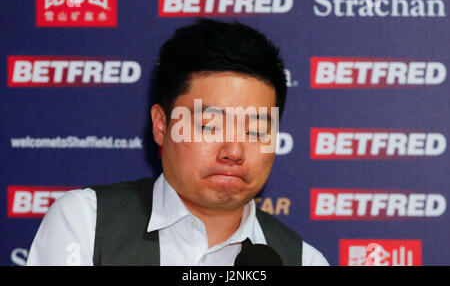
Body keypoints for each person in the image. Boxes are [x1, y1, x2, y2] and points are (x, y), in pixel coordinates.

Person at [26, 18, 329, 266]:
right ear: (161, 125)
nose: (234, 151)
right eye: (210, 126)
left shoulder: (303, 261)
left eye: (256, 131)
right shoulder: (86, 223)